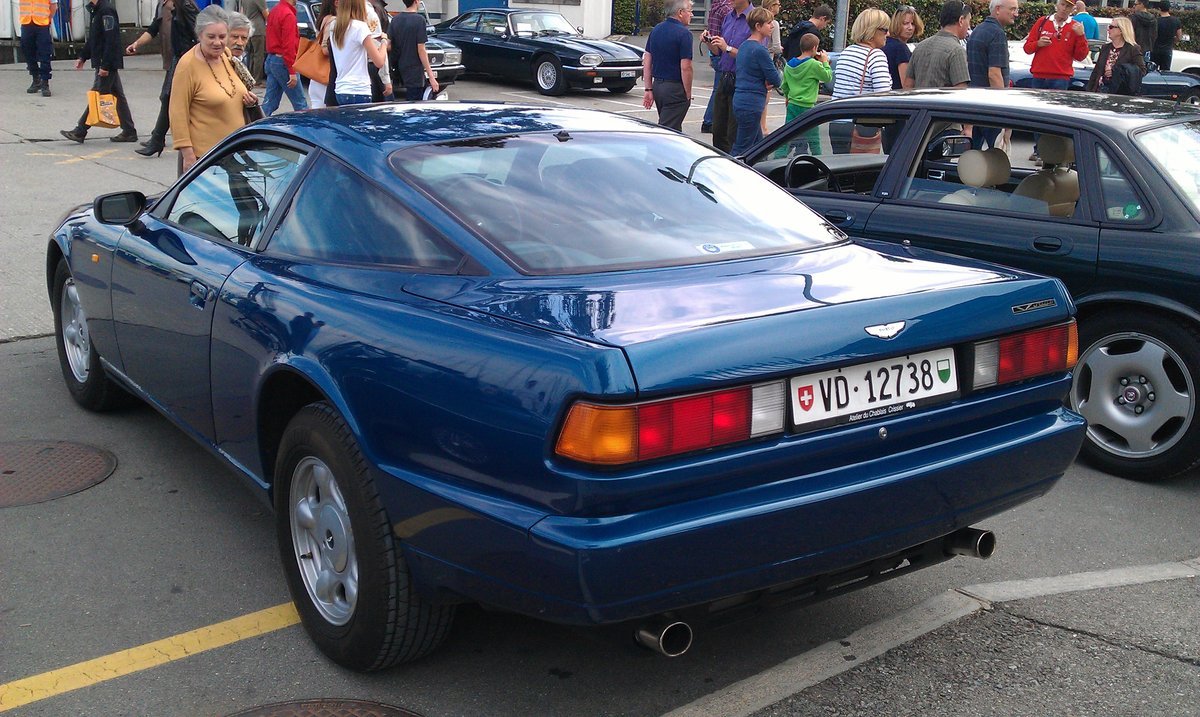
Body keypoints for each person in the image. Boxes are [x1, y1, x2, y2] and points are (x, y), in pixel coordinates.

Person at [170, 5, 259, 174]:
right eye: (211, 37)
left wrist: (249, 101)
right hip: (206, 158)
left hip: (234, 150)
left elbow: (232, 92)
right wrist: (188, 156)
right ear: (199, 35)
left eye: (222, 37)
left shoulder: (226, 55)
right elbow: (177, 114)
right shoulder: (187, 65)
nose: (217, 43)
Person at [126, 0, 199, 158]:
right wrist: (136, 44)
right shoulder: (164, 4)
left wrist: (197, 58)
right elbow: (153, 29)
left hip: (185, 59)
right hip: (176, 58)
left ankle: (157, 140)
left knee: (169, 98)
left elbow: (198, 33)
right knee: (168, 97)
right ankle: (157, 139)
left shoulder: (186, 5)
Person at [60, 0, 138, 144]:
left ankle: (80, 130)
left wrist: (105, 65)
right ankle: (129, 131)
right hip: (103, 61)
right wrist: (83, 57)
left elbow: (111, 39)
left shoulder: (106, 10)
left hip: (106, 62)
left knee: (97, 94)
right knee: (117, 95)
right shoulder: (96, 10)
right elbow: (94, 38)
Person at [967, 0, 1019, 148]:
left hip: (974, 103)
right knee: (998, 154)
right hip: (990, 106)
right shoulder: (997, 34)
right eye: (1012, 9)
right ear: (997, 9)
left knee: (973, 152)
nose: (1016, 14)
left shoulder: (978, 30)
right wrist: (1002, 109)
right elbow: (994, 74)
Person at [704, 0, 753, 153]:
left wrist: (728, 48)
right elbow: (719, 51)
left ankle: (734, 162)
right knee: (718, 130)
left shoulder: (754, 19)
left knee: (733, 132)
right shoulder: (728, 17)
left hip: (741, 80)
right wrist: (709, 42)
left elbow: (752, 56)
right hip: (724, 77)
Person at [731, 7, 780, 155]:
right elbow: (776, 79)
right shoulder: (760, 50)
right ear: (758, 26)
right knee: (742, 147)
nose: (772, 26)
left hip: (740, 99)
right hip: (752, 102)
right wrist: (768, 80)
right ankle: (729, 167)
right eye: (768, 23)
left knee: (758, 146)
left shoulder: (744, 46)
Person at [641, 0, 694, 132]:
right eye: (689, 11)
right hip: (675, 89)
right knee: (667, 131)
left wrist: (648, 89)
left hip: (658, 86)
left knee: (673, 129)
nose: (692, 14)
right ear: (680, 12)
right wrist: (687, 93)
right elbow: (686, 67)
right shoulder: (684, 34)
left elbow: (647, 60)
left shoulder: (656, 29)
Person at [329, 0, 391, 105]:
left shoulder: (334, 25)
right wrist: (384, 42)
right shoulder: (360, 27)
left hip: (341, 88)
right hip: (359, 89)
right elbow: (379, 62)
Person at [1022, 0, 1088, 90]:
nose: (1064, 9)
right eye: (1062, 4)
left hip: (1061, 77)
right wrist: (1038, 44)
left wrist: (1081, 36)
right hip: (1039, 76)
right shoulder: (1042, 22)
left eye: (1068, 6)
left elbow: (1080, 57)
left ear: (1073, 9)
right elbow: (1027, 49)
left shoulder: (1075, 27)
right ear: (1057, 5)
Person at [908, 0, 972, 89]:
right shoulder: (957, 51)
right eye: (969, 21)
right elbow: (960, 90)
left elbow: (908, 85)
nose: (969, 26)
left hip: (918, 98)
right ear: (961, 20)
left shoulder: (920, 47)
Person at [831, 7, 892, 99]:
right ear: (872, 31)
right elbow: (884, 96)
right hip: (861, 108)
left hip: (839, 107)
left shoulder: (846, 52)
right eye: (885, 30)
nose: (888, 34)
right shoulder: (875, 56)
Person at [388, 0, 440, 100]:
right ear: (416, 1)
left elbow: (389, 45)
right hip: (414, 70)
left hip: (398, 67)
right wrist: (431, 76)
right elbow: (421, 49)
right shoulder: (419, 20)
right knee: (415, 102)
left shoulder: (395, 19)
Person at [263, 0, 308, 115]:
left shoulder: (275, 10)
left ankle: (254, 121)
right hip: (283, 61)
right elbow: (289, 45)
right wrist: (292, 71)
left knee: (270, 102)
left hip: (272, 58)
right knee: (300, 104)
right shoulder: (288, 15)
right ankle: (306, 125)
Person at [779, 33, 831, 123]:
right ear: (814, 48)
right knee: (811, 131)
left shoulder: (788, 65)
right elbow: (827, 77)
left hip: (792, 103)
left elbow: (785, 85)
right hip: (807, 106)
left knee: (791, 129)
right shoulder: (814, 64)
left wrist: (787, 97)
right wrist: (825, 62)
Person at [1087, 16, 1147, 93]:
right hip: (1101, 90)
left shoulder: (1132, 49)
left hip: (1120, 92)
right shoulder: (1105, 47)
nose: (1108, 29)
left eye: (1111, 27)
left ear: (1121, 30)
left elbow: (1141, 71)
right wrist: (1090, 91)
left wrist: (1117, 72)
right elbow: (1096, 71)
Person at [700, 0, 732, 133]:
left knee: (718, 89)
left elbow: (713, 30)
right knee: (720, 90)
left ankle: (710, 121)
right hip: (722, 51)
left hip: (714, 51)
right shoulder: (727, 9)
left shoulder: (715, 7)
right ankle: (709, 121)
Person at [20, 0, 57, 97]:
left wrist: (48, 19)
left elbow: (53, 6)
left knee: (45, 53)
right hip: (26, 23)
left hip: (42, 24)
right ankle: (36, 78)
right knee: (27, 52)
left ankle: (45, 82)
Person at [884, 5, 924, 90]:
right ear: (896, 24)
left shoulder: (884, 42)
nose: (910, 28)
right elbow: (907, 86)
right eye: (905, 23)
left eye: (913, 24)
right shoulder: (901, 49)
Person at [308, 0, 336, 109]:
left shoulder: (323, 19)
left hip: (316, 75)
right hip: (325, 75)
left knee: (317, 108)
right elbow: (325, 49)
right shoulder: (332, 21)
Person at [243, 0, 268, 84]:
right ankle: (257, 80)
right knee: (259, 56)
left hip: (249, 29)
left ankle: (250, 77)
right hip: (258, 30)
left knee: (251, 55)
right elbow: (266, 15)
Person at [1152, 1, 1182, 71]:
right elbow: (1179, 37)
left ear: (1159, 8)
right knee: (1165, 72)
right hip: (1167, 51)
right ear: (1169, 8)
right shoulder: (1176, 21)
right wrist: (1173, 40)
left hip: (1155, 50)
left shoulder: (1155, 21)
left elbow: (1152, 35)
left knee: (1152, 71)